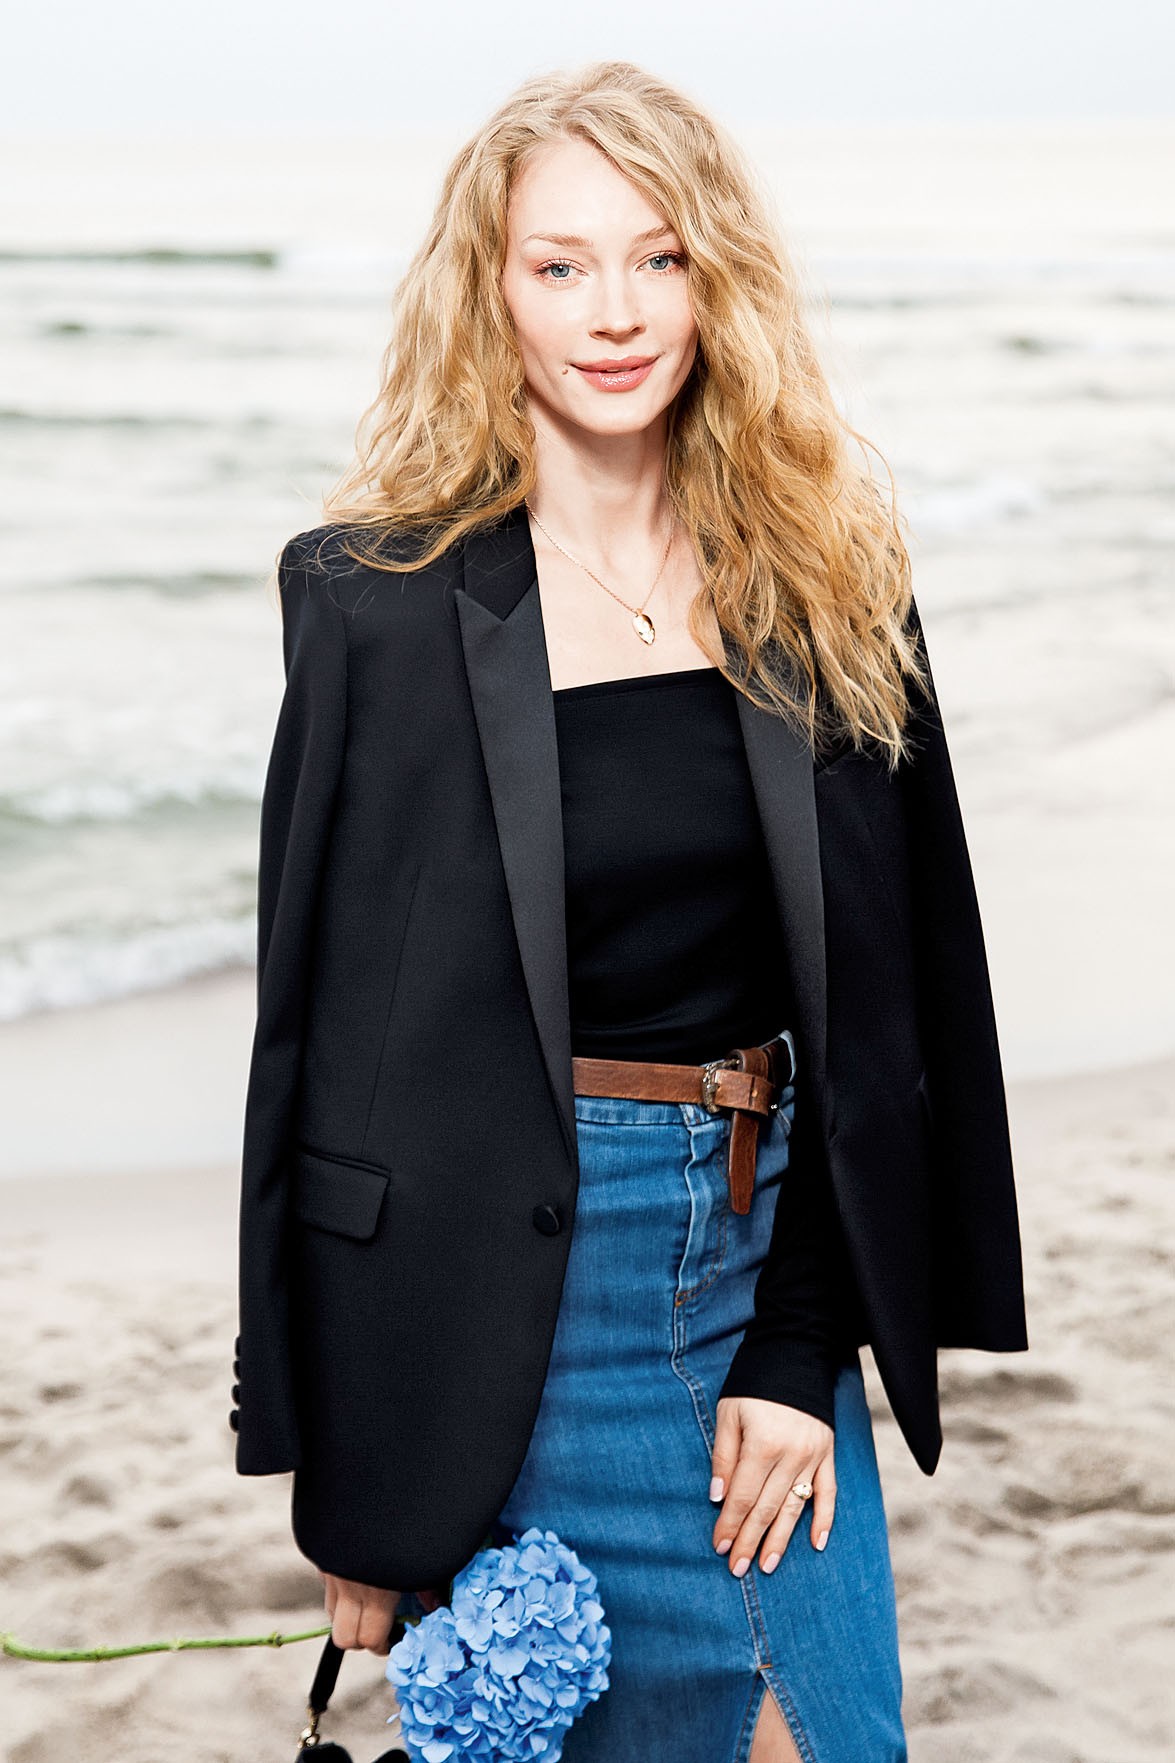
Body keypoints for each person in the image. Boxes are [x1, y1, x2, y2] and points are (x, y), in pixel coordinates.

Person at [230, 60, 1028, 1763]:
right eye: (562, 264)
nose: (615, 312)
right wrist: (343, 1468)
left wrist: (799, 1347)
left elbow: (887, 1008)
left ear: (718, 279)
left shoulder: (829, 582)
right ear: (491, 288)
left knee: (825, 1735)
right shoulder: (370, 603)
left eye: (661, 258)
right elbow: (314, 1053)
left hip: (750, 1258)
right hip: (481, 1318)